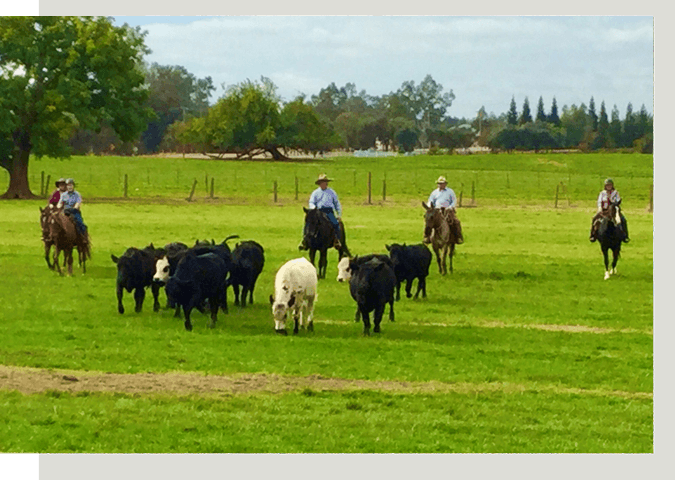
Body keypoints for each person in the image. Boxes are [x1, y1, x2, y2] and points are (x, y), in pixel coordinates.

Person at [299, 173, 342, 250]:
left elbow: (336, 203)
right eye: (321, 182)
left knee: (335, 223)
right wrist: (313, 208)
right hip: (318, 211)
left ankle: (336, 240)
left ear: (327, 183)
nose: (323, 184)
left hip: (329, 211)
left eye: (324, 182)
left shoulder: (331, 192)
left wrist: (339, 214)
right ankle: (305, 241)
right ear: (319, 183)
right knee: (308, 223)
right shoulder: (315, 193)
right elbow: (311, 202)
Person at [589, 178, 629, 243]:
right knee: (595, 219)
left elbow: (618, 201)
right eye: (607, 185)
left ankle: (625, 236)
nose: (609, 187)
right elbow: (599, 202)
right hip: (604, 211)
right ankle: (593, 235)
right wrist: (600, 209)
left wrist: (615, 206)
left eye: (610, 185)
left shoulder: (615, 193)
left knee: (623, 220)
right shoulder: (602, 193)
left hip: (614, 211)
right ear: (605, 186)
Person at [427, 176, 464, 244]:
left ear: (445, 184)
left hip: (447, 210)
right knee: (429, 221)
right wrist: (430, 207)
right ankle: (427, 237)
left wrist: (450, 207)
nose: (441, 185)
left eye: (442, 183)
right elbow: (430, 201)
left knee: (456, 222)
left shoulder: (450, 192)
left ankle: (458, 237)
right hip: (436, 211)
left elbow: (454, 201)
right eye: (439, 183)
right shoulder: (434, 192)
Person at [57, 178, 89, 244]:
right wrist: (58, 206)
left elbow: (78, 202)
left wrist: (75, 207)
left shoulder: (77, 194)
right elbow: (60, 202)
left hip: (74, 211)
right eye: (68, 185)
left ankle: (83, 238)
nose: (69, 187)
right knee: (55, 221)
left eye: (71, 185)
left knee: (80, 223)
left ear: (73, 186)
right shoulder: (63, 195)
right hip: (65, 211)